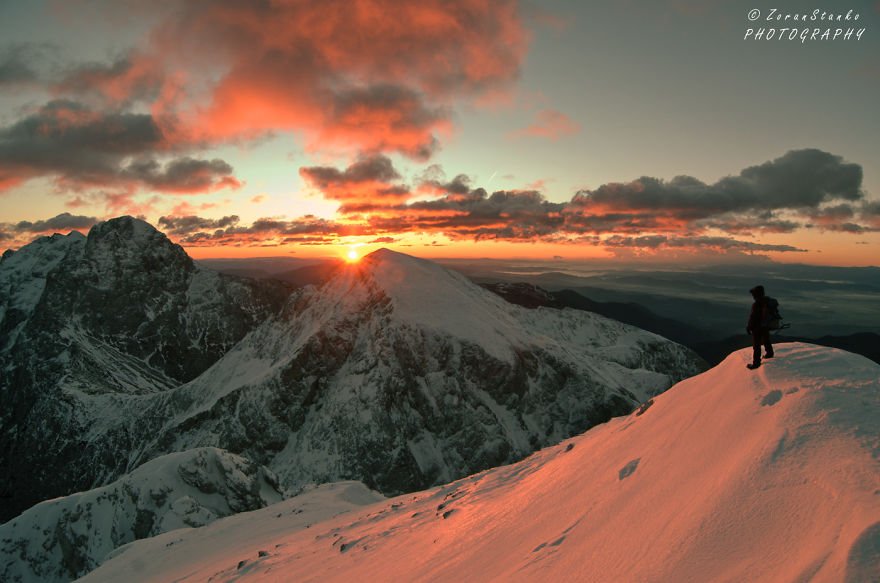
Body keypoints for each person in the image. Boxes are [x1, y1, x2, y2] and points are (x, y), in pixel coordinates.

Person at [746, 285, 774, 370]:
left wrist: (748, 327)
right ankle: (769, 353)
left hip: (757, 327)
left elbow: (753, 317)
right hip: (766, 325)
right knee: (766, 339)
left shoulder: (756, 304)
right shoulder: (767, 301)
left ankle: (756, 363)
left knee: (756, 345)